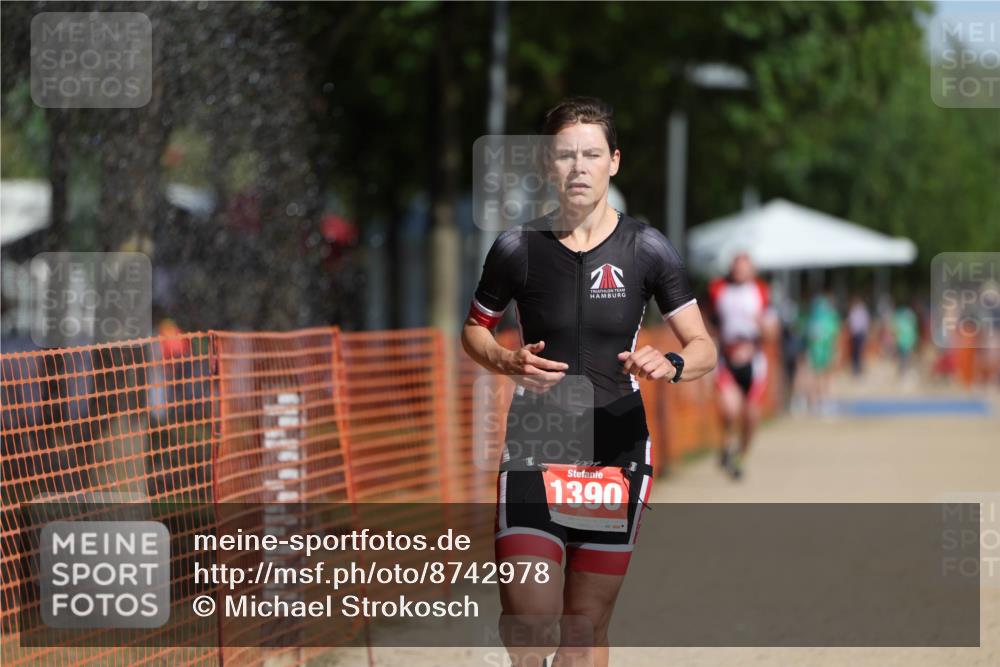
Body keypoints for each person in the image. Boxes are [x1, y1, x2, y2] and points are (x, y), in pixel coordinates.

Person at [461, 97, 716, 667]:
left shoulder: (647, 249)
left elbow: (704, 348)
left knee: (583, 631)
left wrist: (670, 364)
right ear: (547, 166)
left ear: (614, 163)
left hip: (616, 448)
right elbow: (474, 332)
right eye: (565, 155)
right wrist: (506, 361)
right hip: (537, 443)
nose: (579, 166)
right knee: (528, 625)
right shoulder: (516, 248)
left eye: (592, 154)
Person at [707, 253, 776, 479]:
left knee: (751, 416)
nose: (740, 272)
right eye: (737, 267)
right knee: (729, 409)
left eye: (744, 268)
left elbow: (773, 333)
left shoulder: (762, 292)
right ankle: (727, 444)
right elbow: (705, 318)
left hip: (753, 360)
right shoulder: (718, 289)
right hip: (727, 357)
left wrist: (761, 325)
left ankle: (742, 455)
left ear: (752, 270)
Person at [805, 293, 841, 413]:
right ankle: (823, 401)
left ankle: (816, 402)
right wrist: (835, 352)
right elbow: (834, 337)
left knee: (816, 377)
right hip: (824, 351)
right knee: (825, 377)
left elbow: (809, 338)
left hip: (816, 351)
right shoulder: (830, 318)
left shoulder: (813, 318)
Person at [846, 295, 871, 376]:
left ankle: (858, 369)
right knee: (857, 352)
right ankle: (857, 368)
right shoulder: (857, 310)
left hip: (859, 333)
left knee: (858, 352)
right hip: (856, 334)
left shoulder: (859, 310)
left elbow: (864, 322)